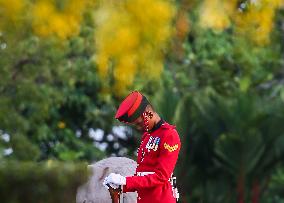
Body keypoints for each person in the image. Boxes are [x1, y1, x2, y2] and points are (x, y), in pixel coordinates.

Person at [103, 91, 181, 203]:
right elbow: (142, 176)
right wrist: (120, 186)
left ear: (147, 113)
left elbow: (161, 176)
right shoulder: (147, 137)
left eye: (139, 124)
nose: (139, 128)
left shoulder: (169, 135)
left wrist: (126, 181)